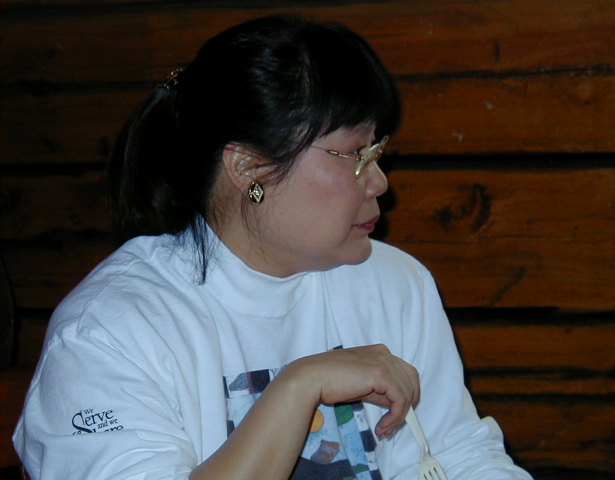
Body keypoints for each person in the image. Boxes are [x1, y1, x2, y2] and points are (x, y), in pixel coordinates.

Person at [13, 14, 533, 480]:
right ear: (249, 168)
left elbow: (456, 454)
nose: (379, 182)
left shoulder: (394, 281)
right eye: (354, 155)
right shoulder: (108, 328)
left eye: (377, 151)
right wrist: (300, 384)